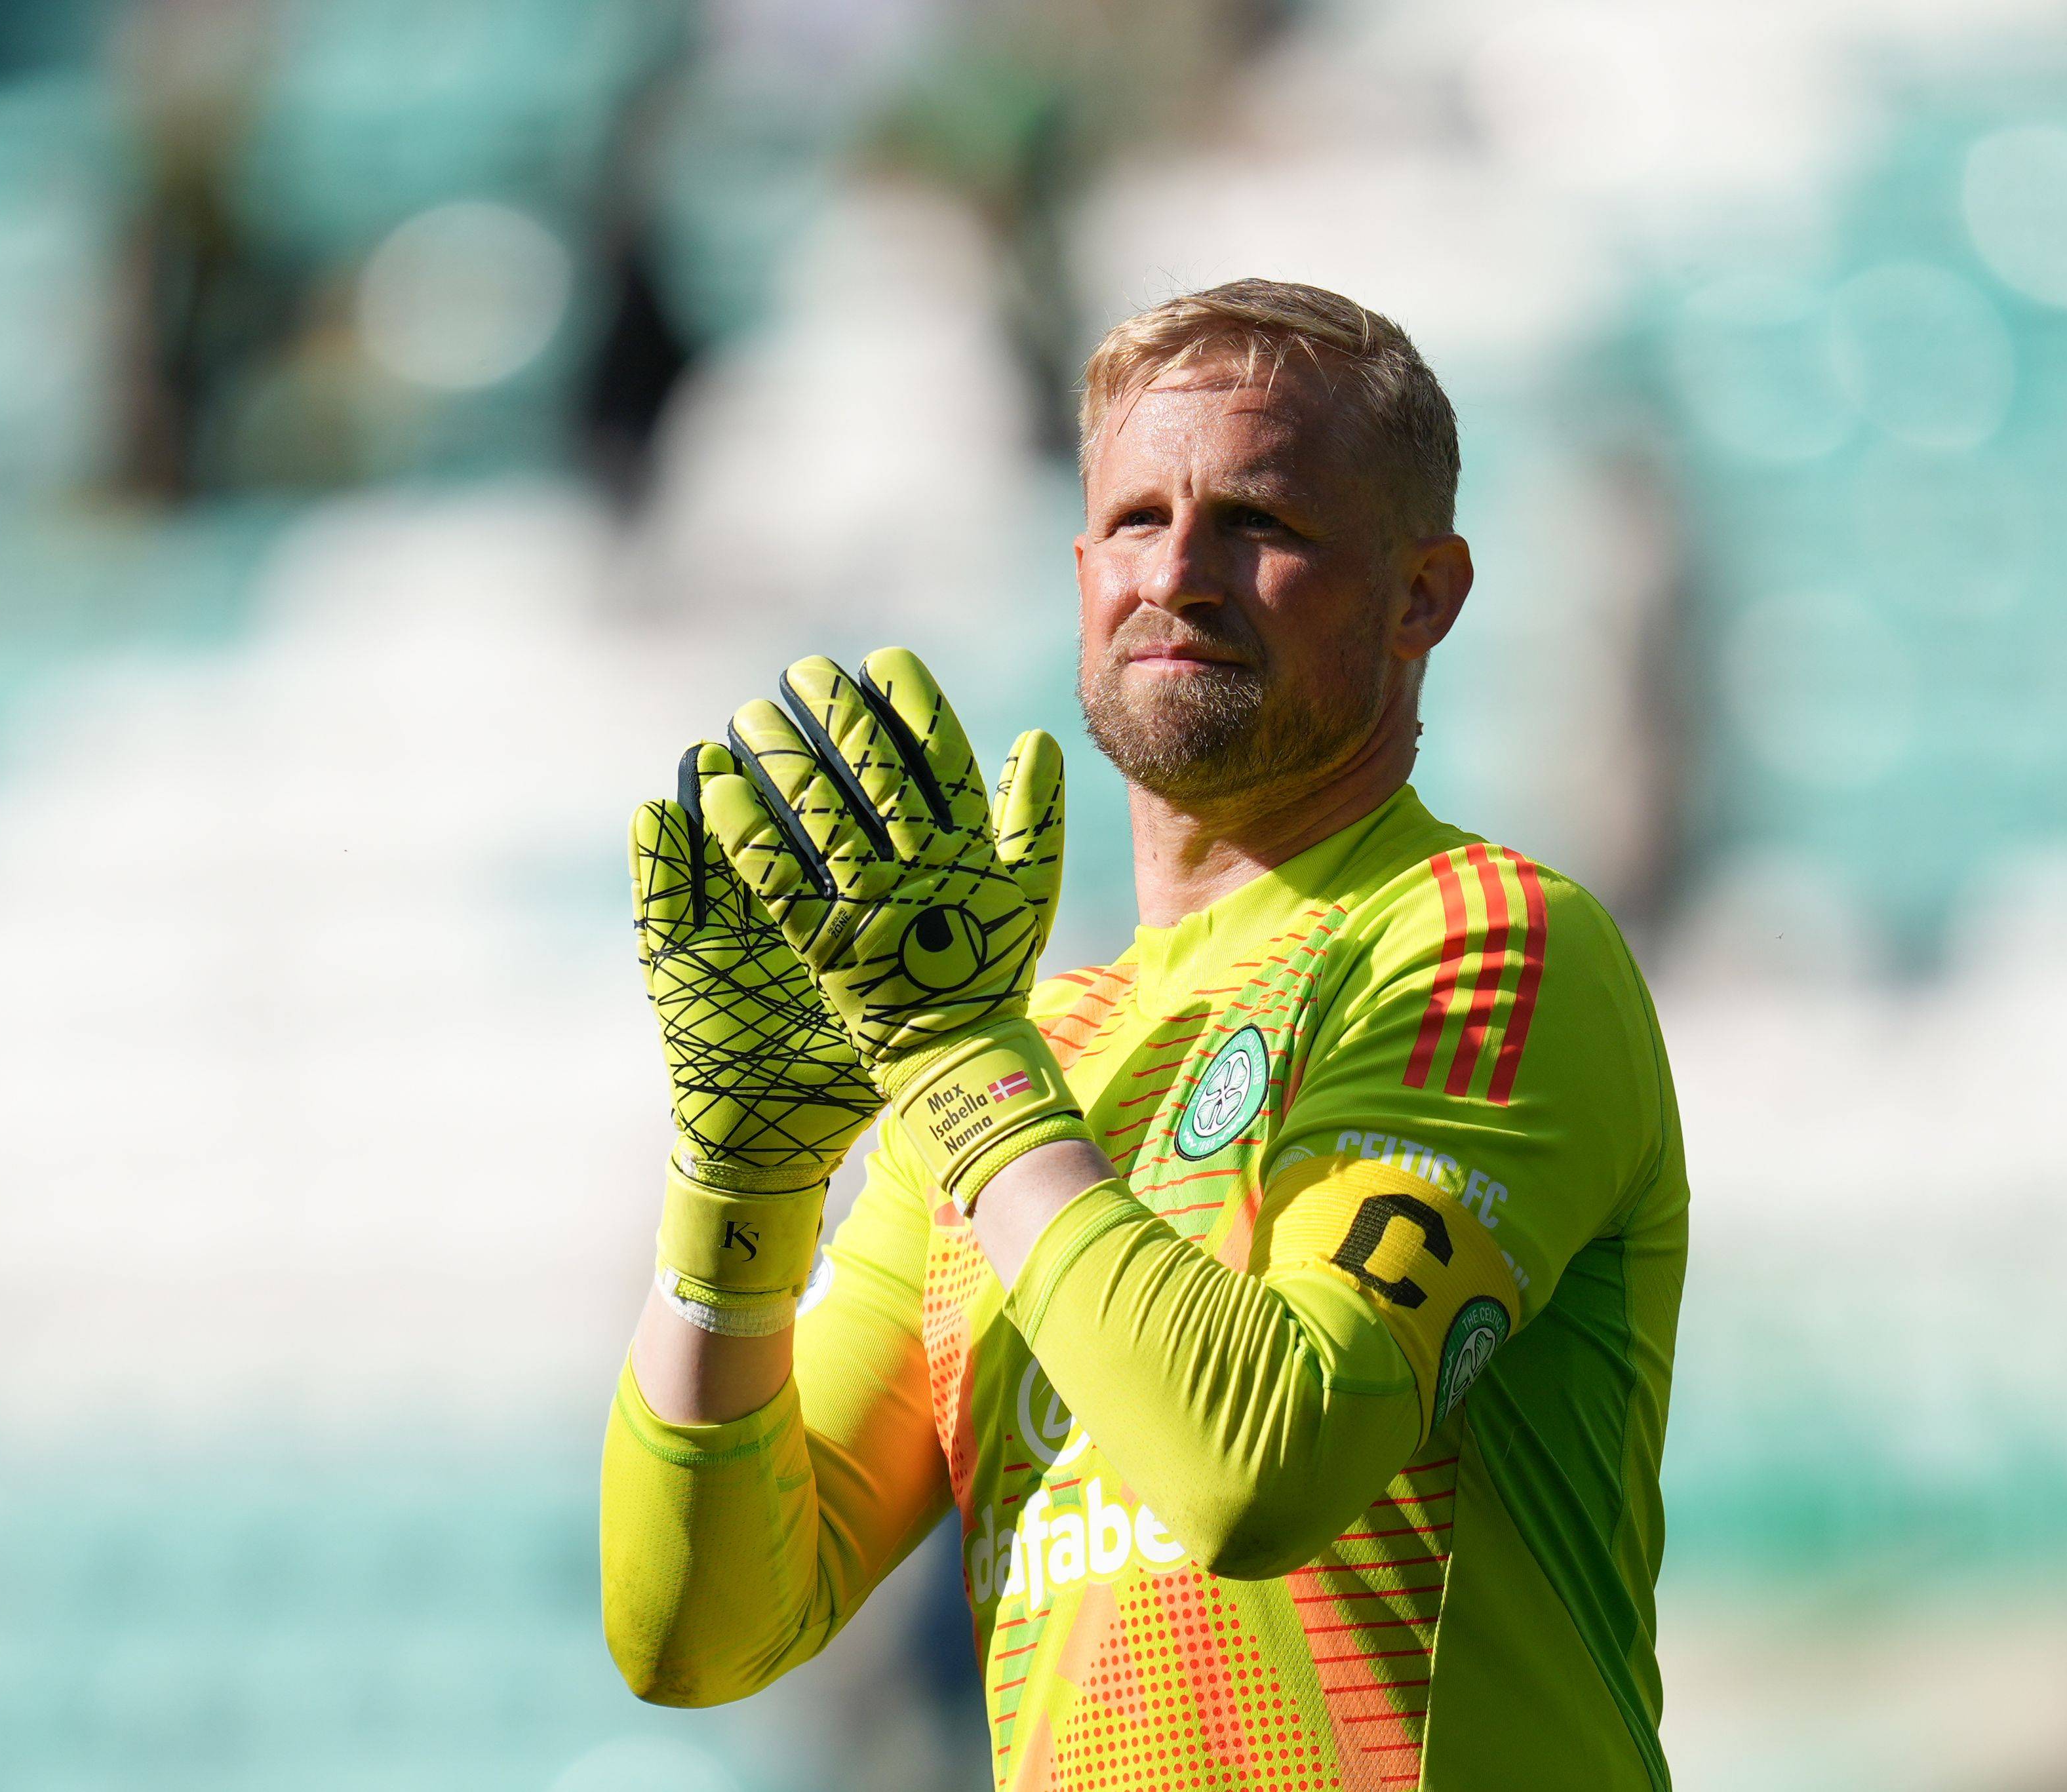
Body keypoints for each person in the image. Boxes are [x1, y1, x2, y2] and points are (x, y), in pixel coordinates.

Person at [602, 278, 1689, 1791]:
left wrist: (957, 1063)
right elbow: (699, 1629)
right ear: (1080, 572)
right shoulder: (1019, 1048)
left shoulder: (1482, 940)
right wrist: (740, 1182)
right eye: (1133, 520)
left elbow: (1261, 1468)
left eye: (1259, 522)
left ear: (1421, 595)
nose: (1177, 571)